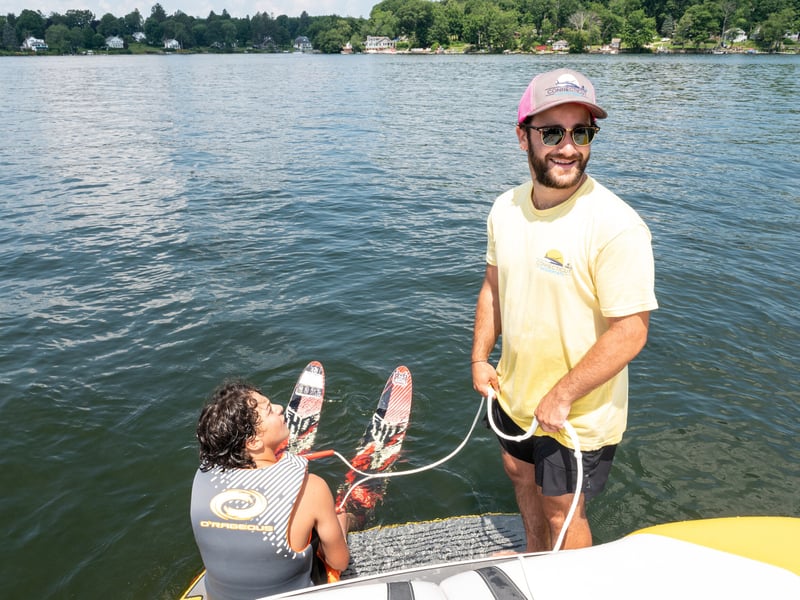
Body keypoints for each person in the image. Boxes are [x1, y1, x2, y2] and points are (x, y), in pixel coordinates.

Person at [471, 68, 658, 552]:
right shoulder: (505, 209)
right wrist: (479, 357)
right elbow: (493, 287)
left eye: (581, 133)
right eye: (552, 132)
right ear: (523, 137)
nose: (568, 148)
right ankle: (534, 557)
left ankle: (567, 583)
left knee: (563, 511)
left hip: (576, 412)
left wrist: (560, 395)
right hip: (513, 394)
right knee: (519, 477)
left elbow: (631, 332)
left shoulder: (617, 226)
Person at [190, 380, 352, 600]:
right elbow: (339, 562)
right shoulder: (312, 488)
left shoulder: (202, 477)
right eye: (269, 410)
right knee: (340, 516)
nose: (280, 408)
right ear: (254, 442)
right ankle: (348, 518)